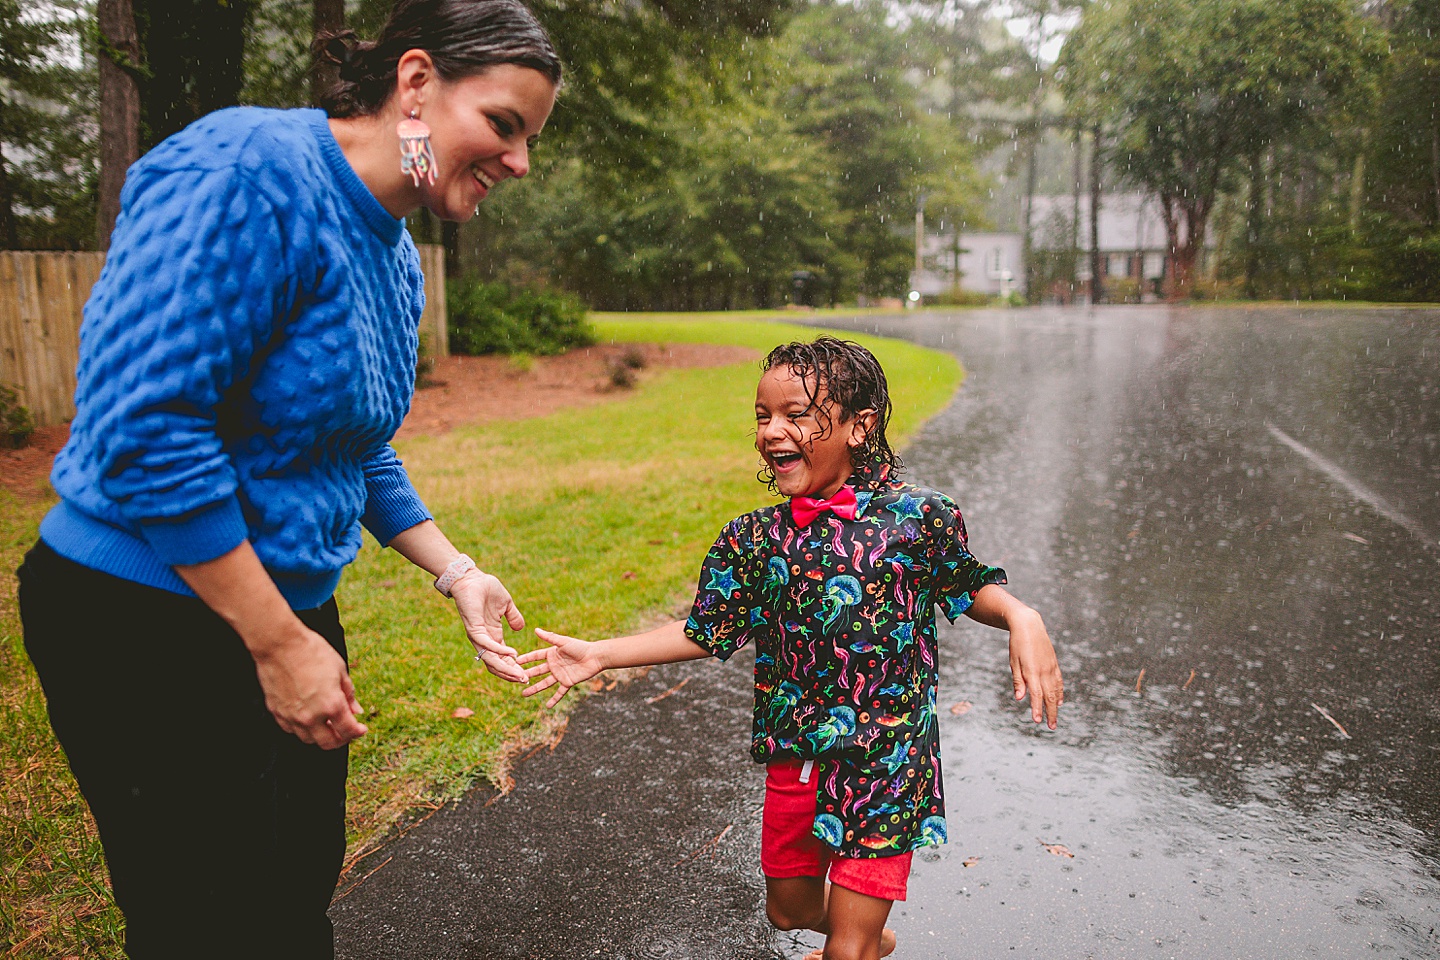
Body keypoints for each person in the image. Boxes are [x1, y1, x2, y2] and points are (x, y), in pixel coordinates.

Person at [16, 2, 561, 956]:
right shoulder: (247, 171)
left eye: (529, 141)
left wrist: (455, 569)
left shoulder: (395, 254)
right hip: (144, 617)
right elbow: (147, 431)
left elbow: (349, 445)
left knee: (290, 908)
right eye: (505, 126)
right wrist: (278, 645)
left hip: (287, 615)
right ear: (418, 81)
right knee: (207, 927)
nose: (518, 162)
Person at [519, 337, 1064, 960]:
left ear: (859, 426)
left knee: (845, 948)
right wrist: (601, 655)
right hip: (798, 754)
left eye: (797, 414)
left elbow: (968, 586)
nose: (772, 431)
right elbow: (707, 629)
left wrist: (1022, 614)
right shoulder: (752, 539)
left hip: (888, 760)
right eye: (762, 416)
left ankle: (855, 940)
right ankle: (862, 935)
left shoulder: (919, 518)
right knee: (788, 910)